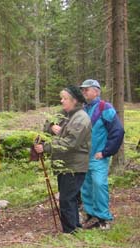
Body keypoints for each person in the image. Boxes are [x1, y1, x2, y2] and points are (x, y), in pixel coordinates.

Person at [34, 86, 92, 233]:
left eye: (65, 98)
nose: (62, 101)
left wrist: (46, 147)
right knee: (68, 199)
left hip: (74, 166)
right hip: (64, 165)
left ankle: (71, 232)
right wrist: (52, 126)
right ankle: (73, 230)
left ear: (74, 100)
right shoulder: (65, 114)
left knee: (67, 199)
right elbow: (48, 123)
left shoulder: (81, 119)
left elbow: (70, 143)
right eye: (62, 98)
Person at [79, 79, 124, 229]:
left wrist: (106, 152)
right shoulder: (83, 109)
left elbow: (117, 132)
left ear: (96, 91)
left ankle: (104, 218)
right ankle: (91, 215)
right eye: (83, 90)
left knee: (99, 185)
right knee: (86, 187)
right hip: (84, 157)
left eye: (87, 89)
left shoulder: (105, 108)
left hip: (98, 157)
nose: (84, 92)